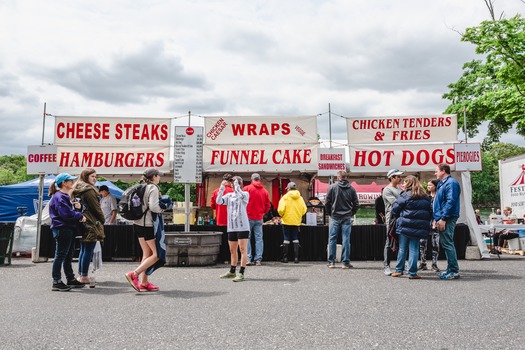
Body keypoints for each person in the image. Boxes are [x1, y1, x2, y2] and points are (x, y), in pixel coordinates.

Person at [125, 168, 166, 292]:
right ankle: (134, 274)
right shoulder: (153, 188)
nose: (160, 178)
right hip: (148, 224)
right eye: (159, 176)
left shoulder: (141, 186)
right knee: (157, 254)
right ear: (154, 177)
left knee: (146, 253)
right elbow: (154, 207)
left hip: (137, 223)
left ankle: (144, 282)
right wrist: (163, 209)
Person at [48, 173, 86, 291]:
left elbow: (67, 213)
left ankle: (69, 279)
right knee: (61, 255)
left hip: (65, 228)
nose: (72, 182)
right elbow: (66, 215)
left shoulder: (60, 196)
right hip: (63, 228)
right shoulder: (60, 197)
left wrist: (78, 209)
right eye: (70, 180)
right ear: (64, 183)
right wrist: (79, 214)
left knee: (67, 255)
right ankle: (57, 281)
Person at [391, 175, 432, 279]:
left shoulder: (405, 195)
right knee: (414, 249)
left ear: (409, 183)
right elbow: (430, 211)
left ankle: (399, 270)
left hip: (405, 225)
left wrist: (399, 217)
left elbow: (395, 208)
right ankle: (412, 273)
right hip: (419, 227)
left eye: (404, 182)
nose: (403, 184)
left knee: (402, 249)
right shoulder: (425, 196)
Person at [72, 168, 105, 285]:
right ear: (86, 177)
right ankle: (84, 276)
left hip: (81, 221)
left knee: (84, 249)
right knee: (88, 250)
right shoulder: (89, 190)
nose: (95, 179)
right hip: (90, 222)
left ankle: (81, 274)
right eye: (92, 176)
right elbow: (96, 208)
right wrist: (102, 219)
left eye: (96, 176)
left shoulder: (77, 188)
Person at [217, 176, 250, 282]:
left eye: (234, 183)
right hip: (232, 226)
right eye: (231, 183)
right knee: (232, 250)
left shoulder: (245, 194)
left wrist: (237, 185)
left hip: (242, 226)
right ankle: (232, 271)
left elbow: (240, 195)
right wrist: (222, 187)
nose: (232, 184)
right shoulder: (229, 195)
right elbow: (218, 201)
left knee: (243, 249)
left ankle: (241, 272)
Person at [325, 170, 359, 269]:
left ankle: (331, 262)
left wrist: (330, 213)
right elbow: (356, 204)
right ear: (346, 177)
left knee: (332, 239)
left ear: (338, 177)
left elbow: (327, 202)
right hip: (347, 217)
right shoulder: (352, 189)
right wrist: (351, 213)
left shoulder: (332, 187)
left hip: (335, 216)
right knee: (346, 240)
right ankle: (345, 262)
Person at [434, 163, 461, 280]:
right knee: (446, 243)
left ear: (443, 171)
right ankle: (450, 269)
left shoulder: (451, 183)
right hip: (444, 217)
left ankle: (454, 271)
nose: (435, 173)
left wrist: (443, 218)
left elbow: (451, 201)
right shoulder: (442, 183)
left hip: (447, 217)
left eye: (436, 171)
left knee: (447, 243)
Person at [243, 173, 270, 266]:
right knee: (259, 239)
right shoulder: (265, 191)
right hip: (259, 217)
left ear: (251, 179)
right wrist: (263, 212)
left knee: (247, 238)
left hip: (248, 217)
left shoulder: (247, 189)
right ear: (259, 179)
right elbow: (268, 205)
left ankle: (248, 258)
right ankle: (258, 259)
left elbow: (242, 201)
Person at [277, 182, 307, 263]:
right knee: (295, 238)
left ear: (289, 189)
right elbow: (304, 209)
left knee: (286, 238)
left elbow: (280, 210)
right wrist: (299, 215)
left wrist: (283, 215)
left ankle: (285, 258)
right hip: (296, 221)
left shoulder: (285, 197)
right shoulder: (300, 198)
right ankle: (296, 258)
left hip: (286, 221)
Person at [382, 169, 404, 276]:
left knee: (402, 242)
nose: (400, 178)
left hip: (401, 218)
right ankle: (386, 266)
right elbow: (396, 203)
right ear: (392, 178)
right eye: (398, 176)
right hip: (391, 219)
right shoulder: (387, 190)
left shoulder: (400, 189)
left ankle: (401, 266)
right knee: (389, 242)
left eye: (400, 176)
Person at [210, 173, 234, 263]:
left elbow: (212, 205)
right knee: (231, 240)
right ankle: (229, 258)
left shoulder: (216, 191)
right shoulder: (232, 192)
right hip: (231, 220)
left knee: (221, 240)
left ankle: (220, 257)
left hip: (220, 219)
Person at [418, 179, 440, 272]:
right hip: (425, 222)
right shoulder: (425, 197)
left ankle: (434, 264)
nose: (428, 187)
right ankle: (423, 263)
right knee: (422, 243)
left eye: (430, 185)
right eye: (428, 185)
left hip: (435, 221)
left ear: (435, 186)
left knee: (435, 244)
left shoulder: (439, 197)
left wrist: (436, 220)